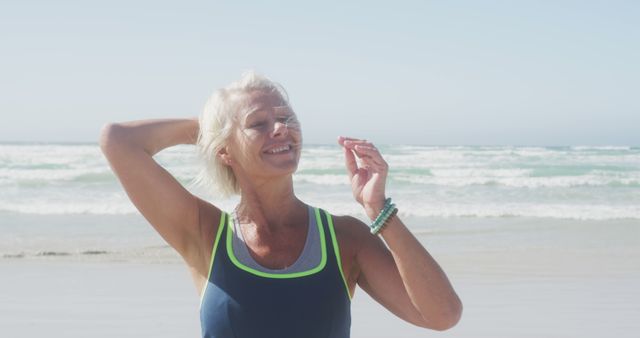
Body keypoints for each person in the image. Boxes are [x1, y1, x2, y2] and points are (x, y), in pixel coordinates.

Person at [100, 71, 462, 338]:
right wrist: (214, 128)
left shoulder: (343, 238)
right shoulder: (205, 233)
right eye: (259, 123)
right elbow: (118, 140)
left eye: (287, 118)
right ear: (224, 150)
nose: (281, 128)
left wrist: (378, 209)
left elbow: (441, 315)